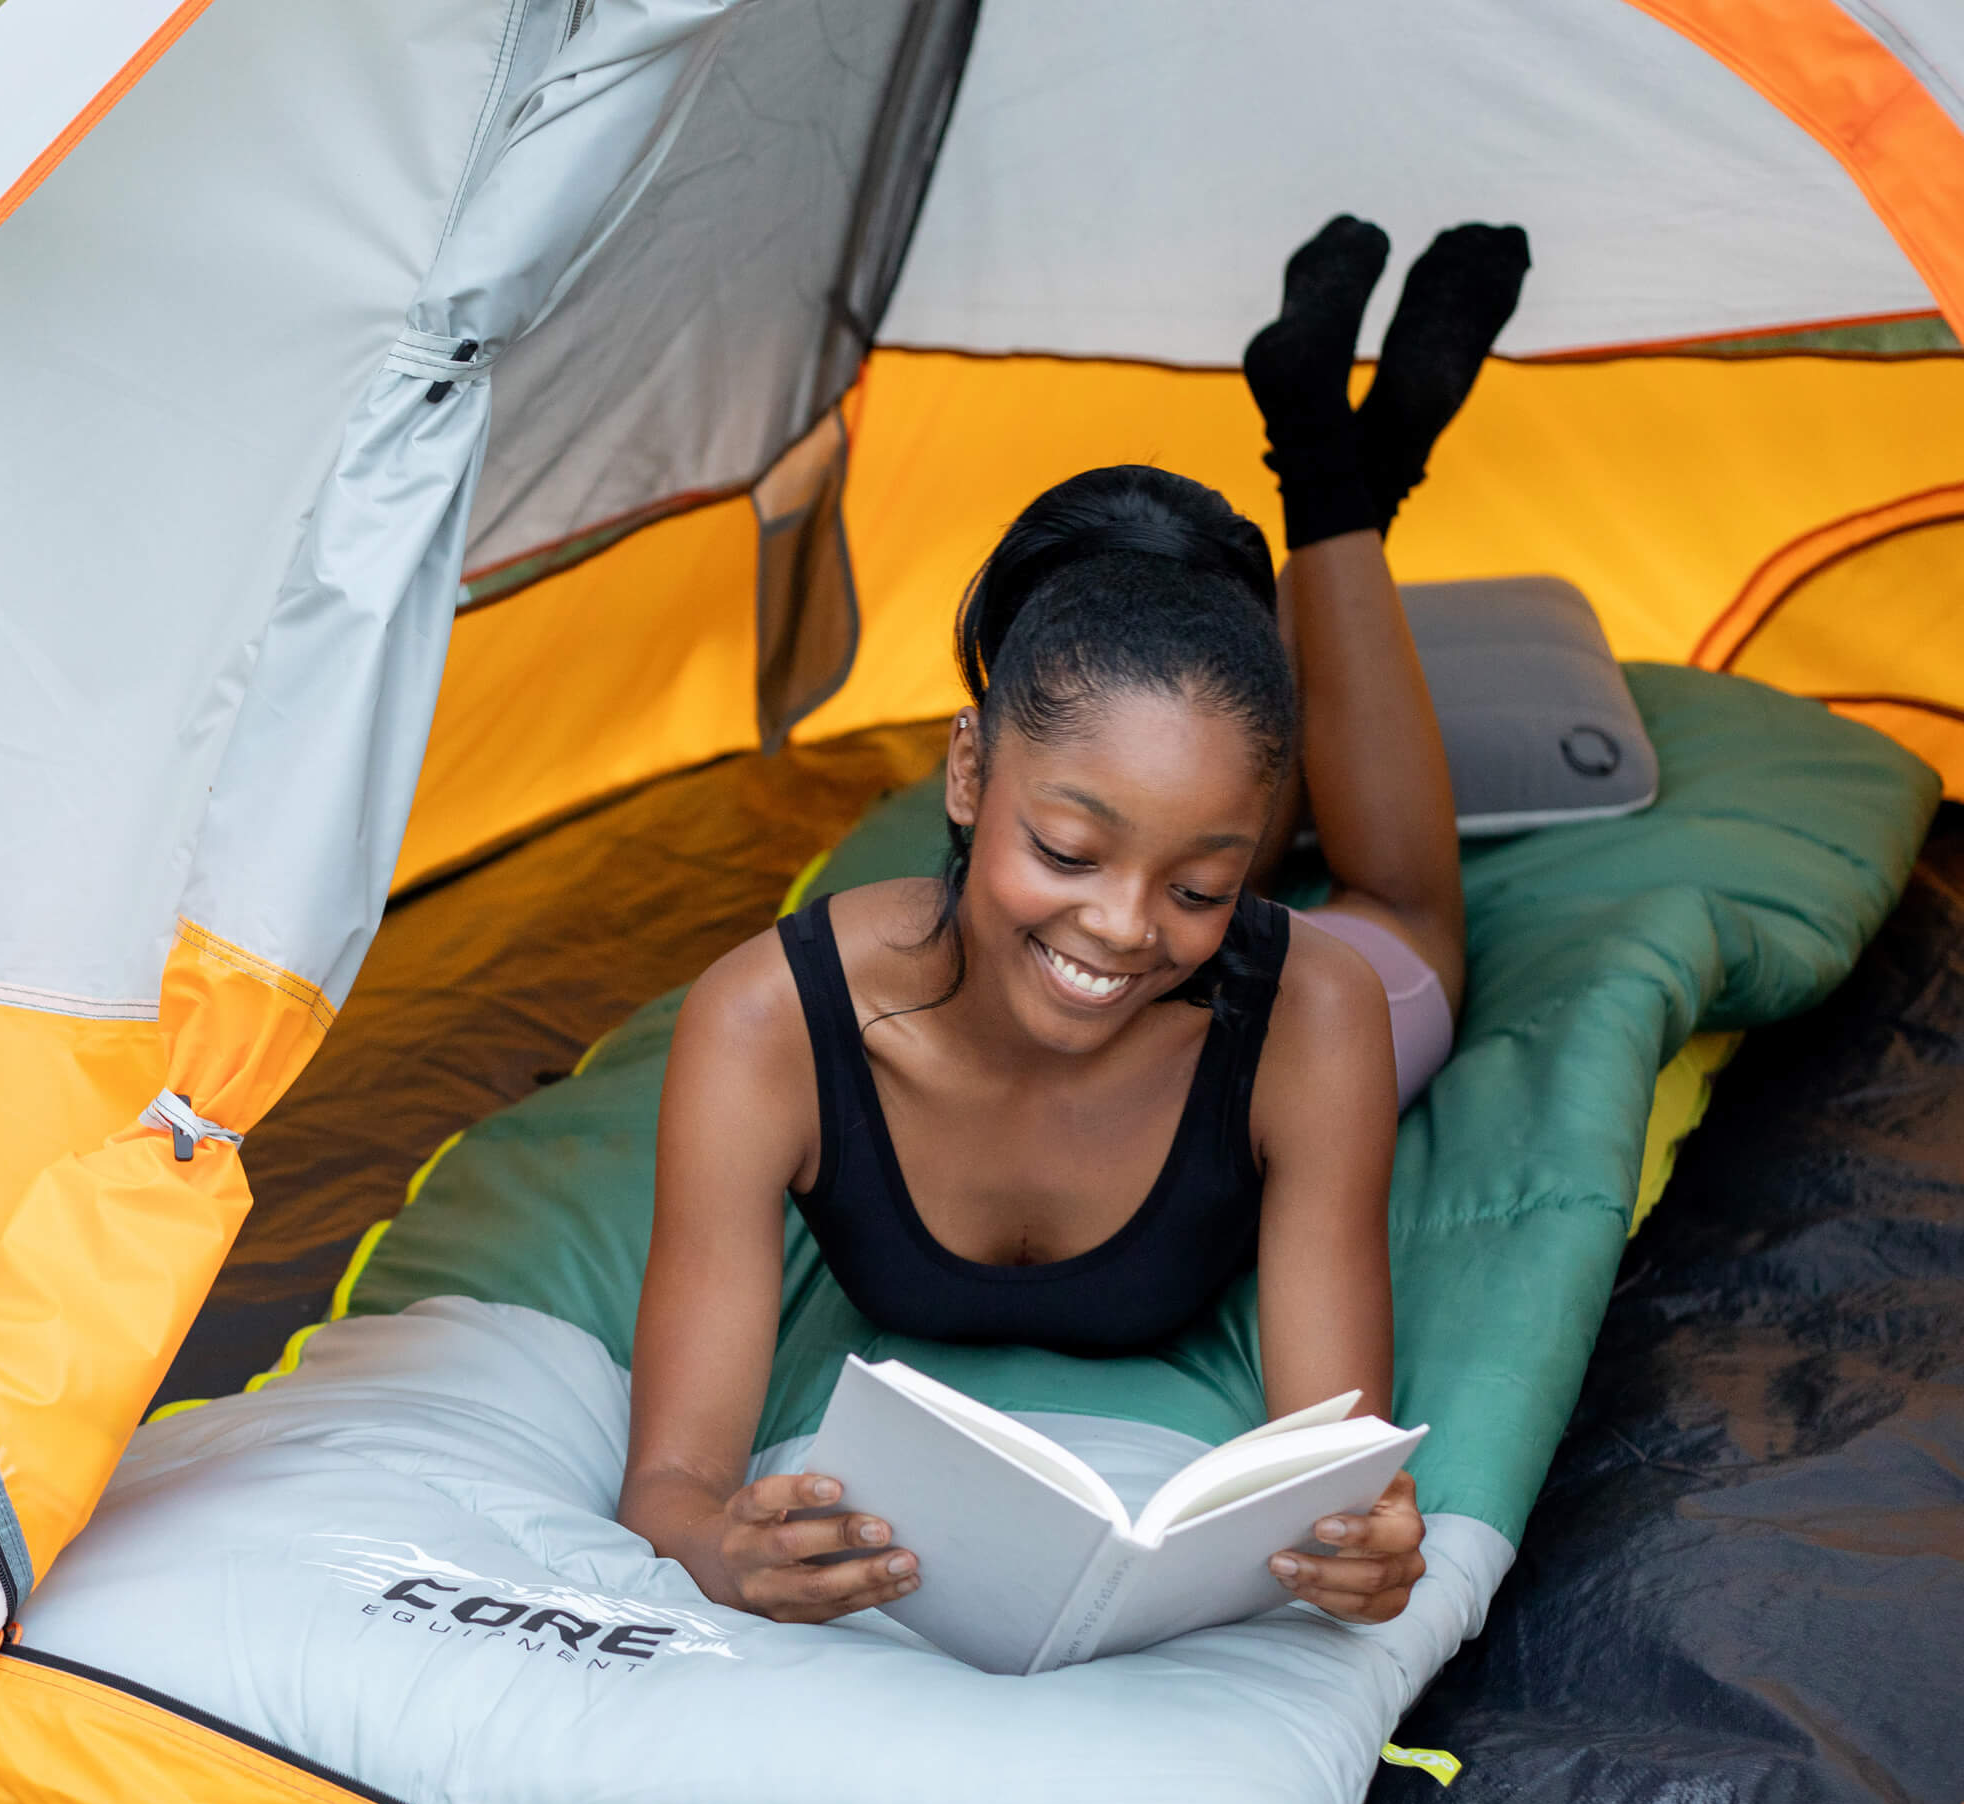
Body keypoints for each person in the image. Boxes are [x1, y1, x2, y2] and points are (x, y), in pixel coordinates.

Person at [619, 216, 1529, 1637]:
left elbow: (1334, 1475)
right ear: (969, 772)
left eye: (1201, 886)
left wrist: (1365, 1549)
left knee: (1409, 919)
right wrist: (722, 1548)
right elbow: (672, 1485)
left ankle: (1332, 469)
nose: (1120, 932)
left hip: (1296, 1013)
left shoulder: (1312, 1011)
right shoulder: (768, 1028)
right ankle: (1341, 460)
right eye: (1066, 849)